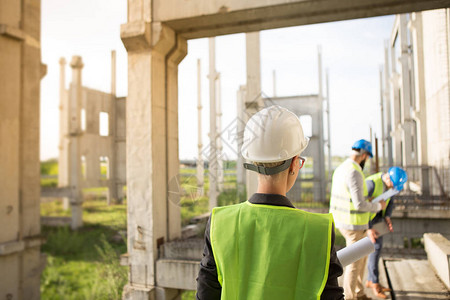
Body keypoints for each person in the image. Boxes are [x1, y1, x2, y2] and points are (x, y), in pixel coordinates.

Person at [196, 105, 344, 300]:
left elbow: (206, 296)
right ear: (294, 164)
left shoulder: (220, 223)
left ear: (253, 161)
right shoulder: (318, 231)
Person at [329, 139, 386, 300]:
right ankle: (350, 297)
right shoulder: (354, 171)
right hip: (352, 224)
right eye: (367, 157)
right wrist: (378, 206)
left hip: (344, 220)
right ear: (364, 155)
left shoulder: (341, 168)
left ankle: (359, 293)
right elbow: (360, 204)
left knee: (361, 258)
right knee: (354, 264)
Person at [365, 167, 408, 299]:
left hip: (377, 219)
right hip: (367, 220)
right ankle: (374, 283)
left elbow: (390, 202)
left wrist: (387, 216)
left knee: (376, 249)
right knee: (374, 249)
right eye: (393, 186)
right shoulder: (371, 183)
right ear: (388, 177)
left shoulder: (391, 186)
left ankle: (370, 280)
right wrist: (367, 227)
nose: (393, 189)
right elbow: (361, 205)